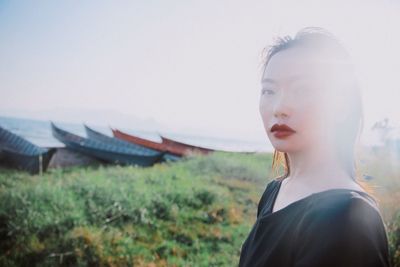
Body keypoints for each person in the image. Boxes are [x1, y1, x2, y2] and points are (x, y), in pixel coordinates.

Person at [238, 27, 391, 267]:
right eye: (269, 90)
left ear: (340, 106)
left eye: (303, 89)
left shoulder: (347, 217)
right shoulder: (275, 190)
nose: (279, 107)